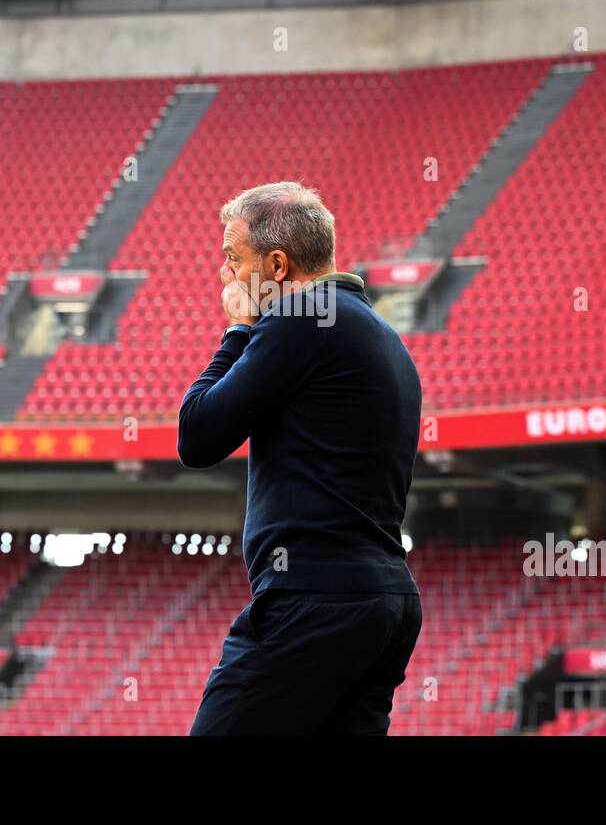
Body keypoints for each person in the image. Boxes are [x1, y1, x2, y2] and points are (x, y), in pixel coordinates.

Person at [179, 181, 423, 735]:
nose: (226, 275)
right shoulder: (380, 333)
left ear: (278, 265)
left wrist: (238, 329)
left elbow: (198, 436)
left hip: (314, 600)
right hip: (384, 601)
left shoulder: (300, 318)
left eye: (234, 259)